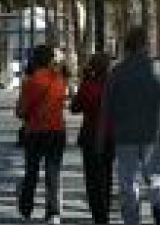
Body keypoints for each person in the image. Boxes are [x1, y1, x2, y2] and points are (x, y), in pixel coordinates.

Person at [106, 27, 160, 225]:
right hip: (153, 134)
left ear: (127, 47)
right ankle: (159, 196)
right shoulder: (159, 69)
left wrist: (103, 135)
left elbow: (107, 104)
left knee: (128, 182)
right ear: (146, 45)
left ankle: (132, 220)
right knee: (155, 175)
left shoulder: (117, 71)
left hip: (125, 134)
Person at [14, 44, 68, 224]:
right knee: (53, 172)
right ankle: (53, 212)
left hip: (35, 131)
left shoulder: (30, 82)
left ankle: (26, 209)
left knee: (32, 171)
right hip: (57, 130)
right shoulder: (59, 79)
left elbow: (21, 111)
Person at [69, 53, 114, 224]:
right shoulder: (114, 86)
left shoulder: (88, 86)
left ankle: (99, 215)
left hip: (91, 135)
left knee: (93, 178)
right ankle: (105, 211)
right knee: (107, 175)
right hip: (111, 136)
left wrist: (84, 82)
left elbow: (75, 108)